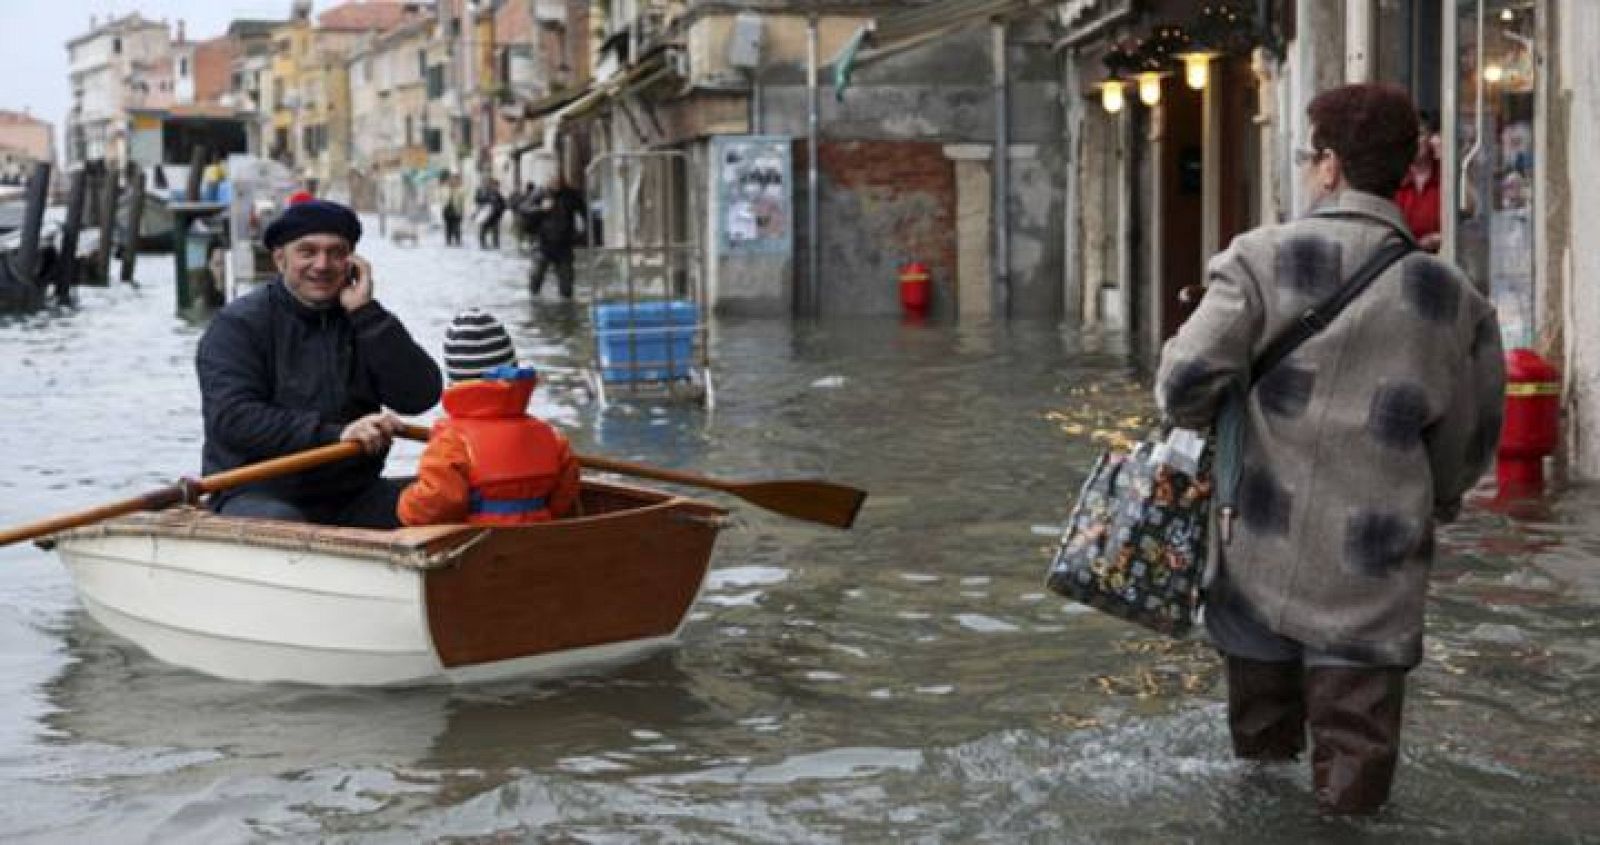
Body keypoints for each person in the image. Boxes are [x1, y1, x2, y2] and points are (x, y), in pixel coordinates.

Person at [1154, 84, 1505, 816]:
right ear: (1403, 169)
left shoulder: (1256, 259)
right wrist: (1427, 500)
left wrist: (1211, 422)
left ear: (1329, 166)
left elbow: (1183, 381)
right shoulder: (1452, 296)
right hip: (1375, 569)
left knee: (1260, 769)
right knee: (1354, 786)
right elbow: (1468, 444)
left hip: (1255, 551)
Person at [196, 199, 444, 529]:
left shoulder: (366, 320)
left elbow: (420, 396)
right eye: (307, 252)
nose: (322, 264)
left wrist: (367, 316)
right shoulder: (237, 325)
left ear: (353, 262)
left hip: (354, 494)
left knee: (452, 498)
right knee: (287, 524)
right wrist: (336, 434)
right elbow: (234, 418)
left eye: (336, 252)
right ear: (280, 259)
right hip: (257, 492)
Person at [397, 309, 580, 526]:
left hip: (480, 549)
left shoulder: (452, 443)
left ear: (455, 382)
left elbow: (435, 506)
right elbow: (564, 499)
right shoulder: (551, 437)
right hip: (536, 543)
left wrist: (405, 505)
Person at [527, 173, 587, 300]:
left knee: (566, 286)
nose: (556, 185)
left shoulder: (571, 195)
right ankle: (534, 298)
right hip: (543, 244)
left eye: (559, 183)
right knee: (536, 278)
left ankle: (565, 303)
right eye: (554, 183)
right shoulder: (539, 193)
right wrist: (540, 209)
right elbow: (524, 209)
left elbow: (586, 214)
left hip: (564, 245)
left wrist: (583, 234)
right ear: (548, 183)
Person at [1394, 113, 1443, 252]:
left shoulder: (1445, 175)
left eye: (1420, 134)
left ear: (1430, 139)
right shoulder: (1395, 178)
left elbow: (1470, 208)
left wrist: (1450, 161)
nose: (1415, 141)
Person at [474, 178, 506, 250]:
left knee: (495, 230)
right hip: (486, 215)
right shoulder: (485, 193)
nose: (495, 187)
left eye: (497, 186)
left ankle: (496, 244)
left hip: (495, 216)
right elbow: (479, 201)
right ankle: (483, 244)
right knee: (483, 230)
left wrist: (499, 210)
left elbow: (503, 205)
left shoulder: (498, 195)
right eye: (494, 185)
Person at [440, 172, 463, 247]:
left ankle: (458, 240)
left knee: (457, 226)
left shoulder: (461, 189)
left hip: (457, 210)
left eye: (455, 180)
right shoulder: (445, 188)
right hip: (447, 210)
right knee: (448, 226)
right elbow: (441, 198)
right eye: (452, 179)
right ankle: (448, 241)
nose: (453, 181)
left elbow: (464, 201)